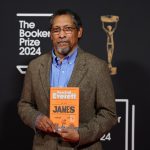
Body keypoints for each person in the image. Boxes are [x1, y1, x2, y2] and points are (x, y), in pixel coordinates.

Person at [18, 9, 117, 150]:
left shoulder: (97, 67)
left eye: (68, 29)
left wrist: (80, 134)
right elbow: (24, 104)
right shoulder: (35, 66)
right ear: (51, 35)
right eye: (56, 30)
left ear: (79, 32)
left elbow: (109, 114)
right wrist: (36, 119)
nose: (62, 35)